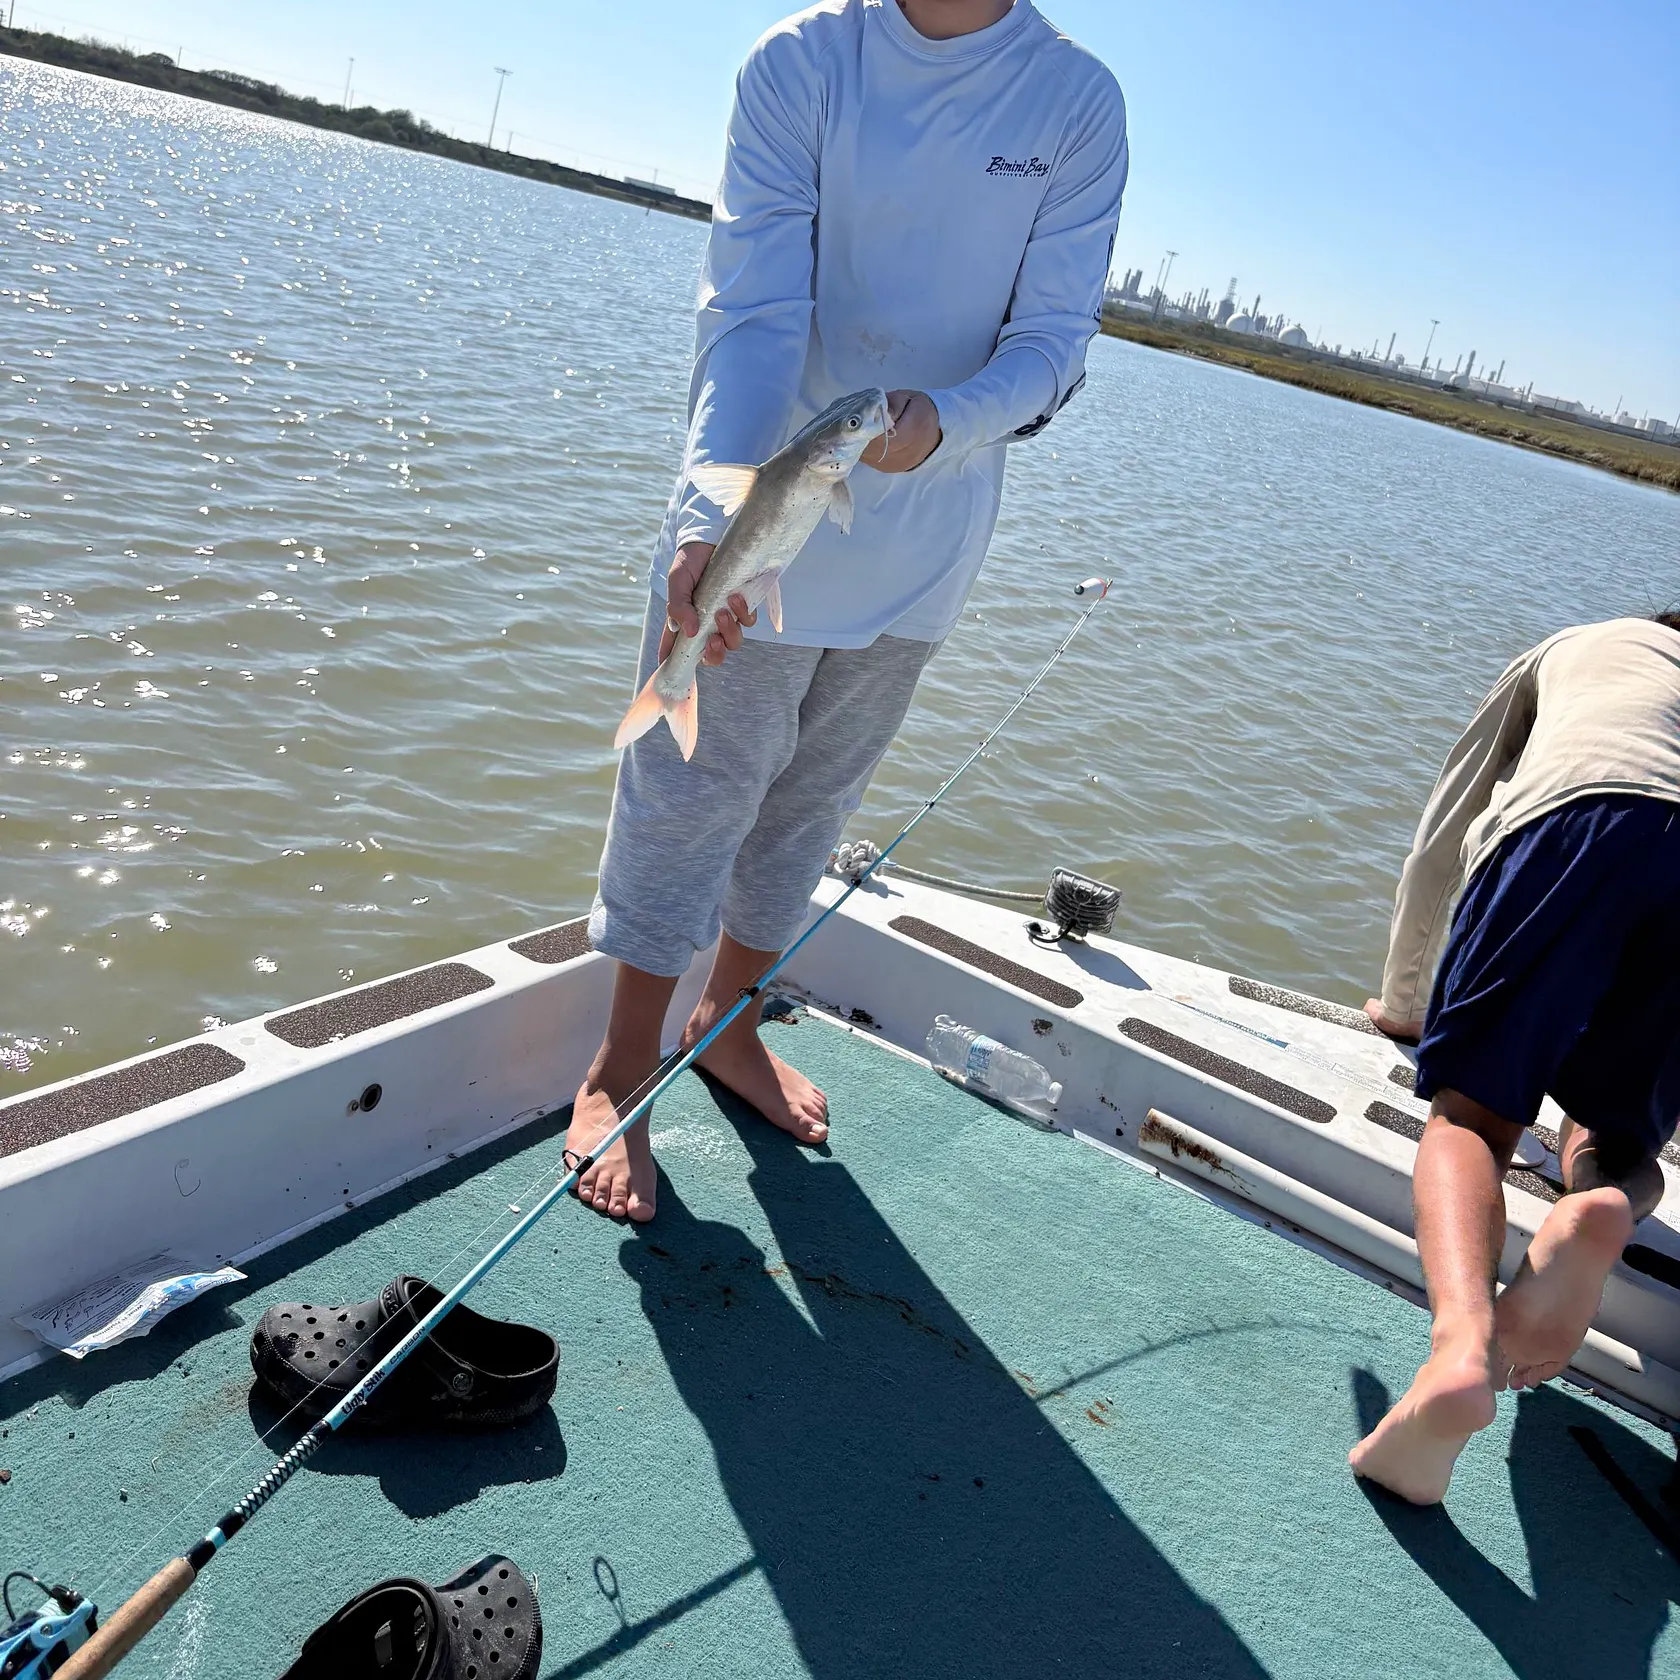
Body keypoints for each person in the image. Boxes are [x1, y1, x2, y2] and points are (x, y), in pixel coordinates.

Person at [566, 0, 1129, 1222]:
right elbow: (751, 313)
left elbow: (1052, 345)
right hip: (766, 498)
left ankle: (726, 1017)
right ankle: (619, 1062)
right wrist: (704, 525)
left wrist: (943, 422)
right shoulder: (802, 61)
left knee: (813, 800)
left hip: (929, 530)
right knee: (691, 795)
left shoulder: (1077, 102)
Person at [1350, 612, 1680, 1505]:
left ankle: (1460, 1347)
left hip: (1583, 811)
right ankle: (1603, 1204)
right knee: (1621, 1137)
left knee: (1475, 1118)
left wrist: (1409, 1003)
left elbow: (1447, 826)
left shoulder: (1582, 646)